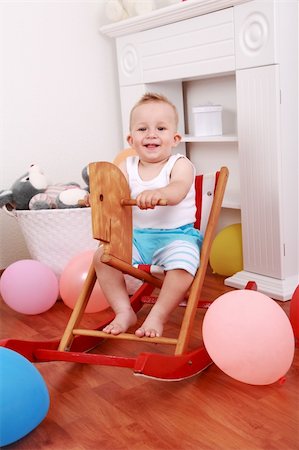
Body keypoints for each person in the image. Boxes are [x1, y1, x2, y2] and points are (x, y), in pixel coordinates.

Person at [93, 92, 203, 338]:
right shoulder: (126, 167)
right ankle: (123, 311)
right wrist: (98, 197)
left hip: (176, 237)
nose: (152, 134)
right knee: (102, 256)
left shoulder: (179, 164)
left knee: (184, 264)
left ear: (174, 138)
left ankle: (158, 315)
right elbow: (111, 193)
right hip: (135, 238)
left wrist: (160, 192)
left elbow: (178, 190)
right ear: (131, 139)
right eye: (143, 129)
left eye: (161, 128)